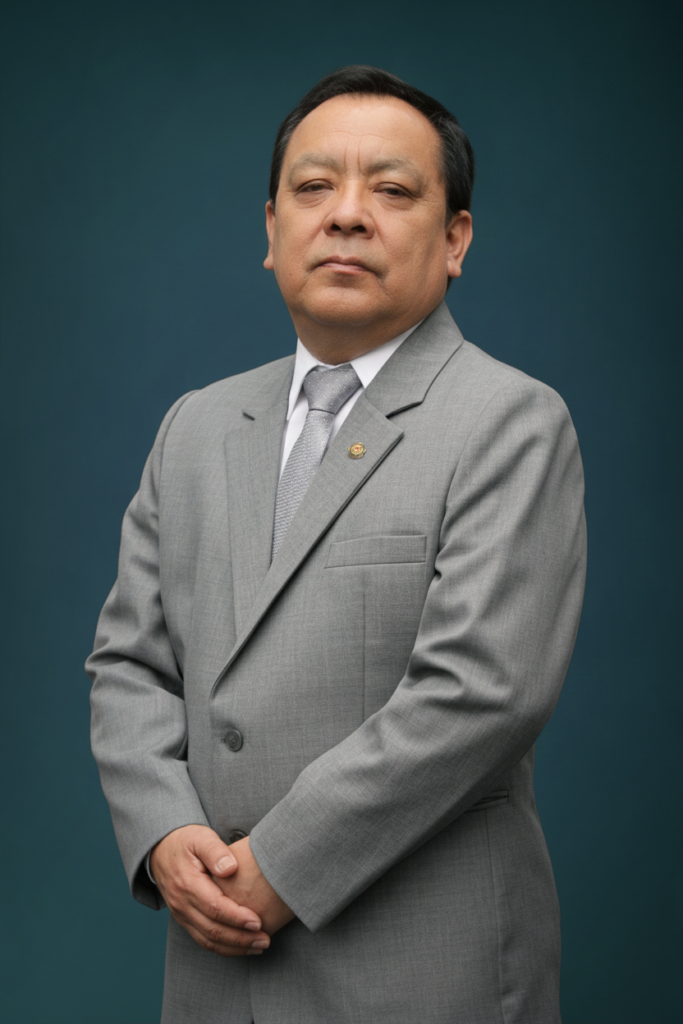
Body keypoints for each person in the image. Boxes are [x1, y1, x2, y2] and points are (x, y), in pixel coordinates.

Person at [87, 65, 586, 1024]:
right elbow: (128, 664)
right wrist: (163, 831)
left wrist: (278, 864)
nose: (346, 214)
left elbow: (481, 692)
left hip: (421, 975)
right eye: (313, 187)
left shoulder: (508, 421)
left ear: (455, 239)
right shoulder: (195, 426)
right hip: (212, 972)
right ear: (271, 229)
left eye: (391, 190)